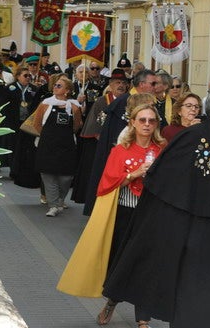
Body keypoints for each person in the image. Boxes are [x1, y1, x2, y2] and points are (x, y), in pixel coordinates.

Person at [103, 84, 210, 328]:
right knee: (190, 316)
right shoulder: (193, 139)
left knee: (208, 317)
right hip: (195, 248)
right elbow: (163, 184)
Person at [57, 104, 166, 328]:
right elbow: (108, 183)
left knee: (147, 267)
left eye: (151, 120)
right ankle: (111, 302)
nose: (147, 124)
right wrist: (134, 174)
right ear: (133, 123)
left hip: (151, 216)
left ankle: (143, 320)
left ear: (156, 124)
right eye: (142, 120)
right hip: (125, 213)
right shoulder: (121, 150)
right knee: (120, 263)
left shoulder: (162, 150)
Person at [82, 69, 158, 215]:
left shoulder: (148, 102)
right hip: (126, 184)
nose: (156, 87)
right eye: (153, 83)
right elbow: (118, 143)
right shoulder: (122, 103)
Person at [72, 69, 130, 206]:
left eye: (123, 82)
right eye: (117, 82)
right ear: (110, 84)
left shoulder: (130, 101)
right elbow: (94, 123)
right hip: (103, 146)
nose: (121, 85)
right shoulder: (102, 102)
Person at [33, 75, 83, 216]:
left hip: (66, 146)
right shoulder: (45, 104)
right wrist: (49, 137)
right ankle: (53, 205)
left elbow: (76, 126)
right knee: (48, 175)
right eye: (55, 85)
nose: (55, 87)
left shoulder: (74, 107)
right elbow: (37, 124)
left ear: (67, 90)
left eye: (59, 85)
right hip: (47, 145)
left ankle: (60, 199)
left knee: (65, 177)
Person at [9, 65, 42, 188]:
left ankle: (21, 170)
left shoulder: (34, 89)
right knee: (13, 145)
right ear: (18, 76)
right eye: (25, 75)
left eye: (29, 76)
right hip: (14, 121)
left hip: (28, 123)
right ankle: (13, 169)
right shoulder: (10, 88)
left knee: (25, 148)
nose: (28, 78)